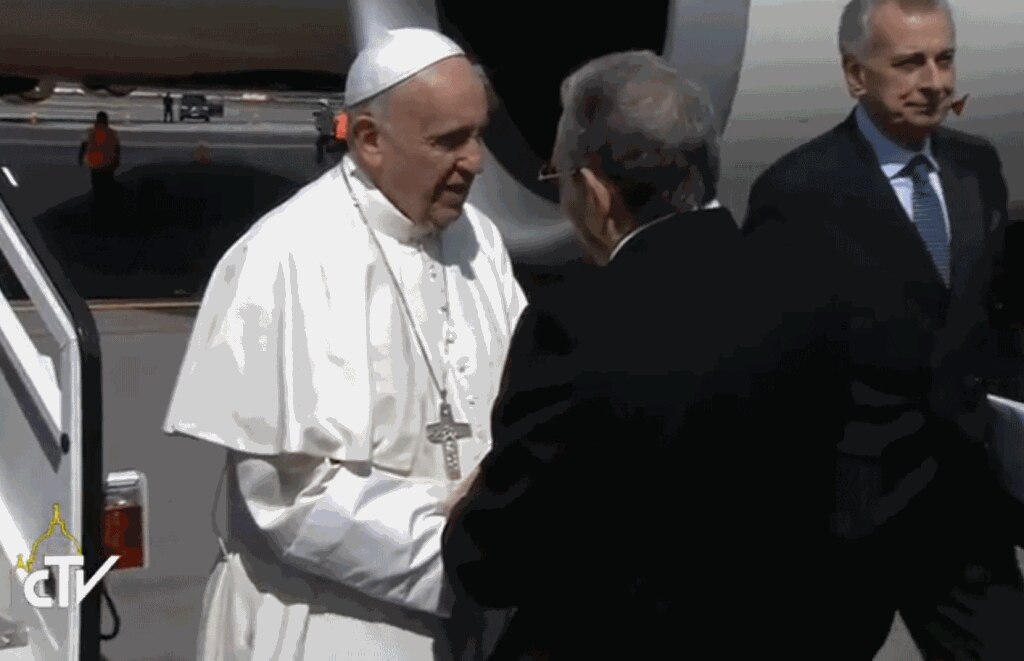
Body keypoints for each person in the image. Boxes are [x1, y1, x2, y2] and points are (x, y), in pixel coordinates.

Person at [442, 50, 851, 659]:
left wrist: (471, 506)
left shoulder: (574, 326)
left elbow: (495, 562)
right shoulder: (809, 294)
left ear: (597, 193)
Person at [162, 27, 527, 660]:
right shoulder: (284, 256)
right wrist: (465, 553)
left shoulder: (481, 242)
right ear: (368, 141)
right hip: (333, 627)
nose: (476, 161)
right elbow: (289, 497)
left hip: (479, 618)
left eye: (478, 134)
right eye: (448, 141)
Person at [741, 1, 1024, 658]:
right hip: (849, 522)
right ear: (853, 74)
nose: (933, 81)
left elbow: (989, 320)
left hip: (963, 511)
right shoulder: (800, 191)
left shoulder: (976, 168)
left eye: (944, 59)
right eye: (909, 62)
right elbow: (771, 367)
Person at [78, 111, 121, 211]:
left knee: (97, 184)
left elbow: (84, 146)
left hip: (95, 163)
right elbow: (117, 148)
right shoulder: (112, 133)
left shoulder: (90, 132)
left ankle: (98, 204)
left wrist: (80, 158)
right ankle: (107, 204)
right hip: (109, 163)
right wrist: (117, 161)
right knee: (107, 184)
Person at [313, 99, 335, 163]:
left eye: (321, 105)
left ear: (324, 105)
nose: (320, 106)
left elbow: (330, 120)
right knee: (324, 143)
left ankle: (320, 157)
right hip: (326, 131)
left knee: (319, 143)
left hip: (326, 131)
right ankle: (327, 150)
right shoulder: (327, 111)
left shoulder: (326, 111)